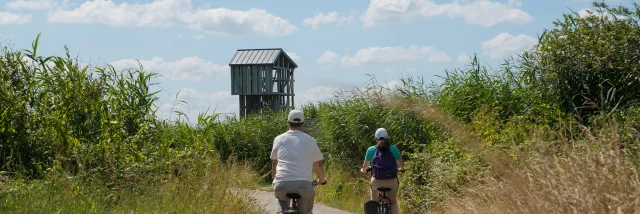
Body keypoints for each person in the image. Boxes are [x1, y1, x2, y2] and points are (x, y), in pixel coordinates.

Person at [271, 109, 327, 214]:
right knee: (305, 211)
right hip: (304, 185)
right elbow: (317, 164)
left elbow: (275, 162)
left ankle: (281, 212)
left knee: (281, 204)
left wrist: (275, 177)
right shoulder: (310, 140)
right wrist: (322, 180)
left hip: (282, 183)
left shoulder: (278, 139)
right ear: (302, 123)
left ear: (288, 123)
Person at [360, 128, 404, 214]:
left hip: (376, 181)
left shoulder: (371, 150)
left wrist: (363, 170)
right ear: (387, 137)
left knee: (373, 197)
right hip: (391, 181)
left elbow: (365, 167)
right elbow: (401, 164)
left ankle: (374, 205)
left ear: (376, 138)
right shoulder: (393, 149)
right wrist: (401, 169)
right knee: (393, 202)